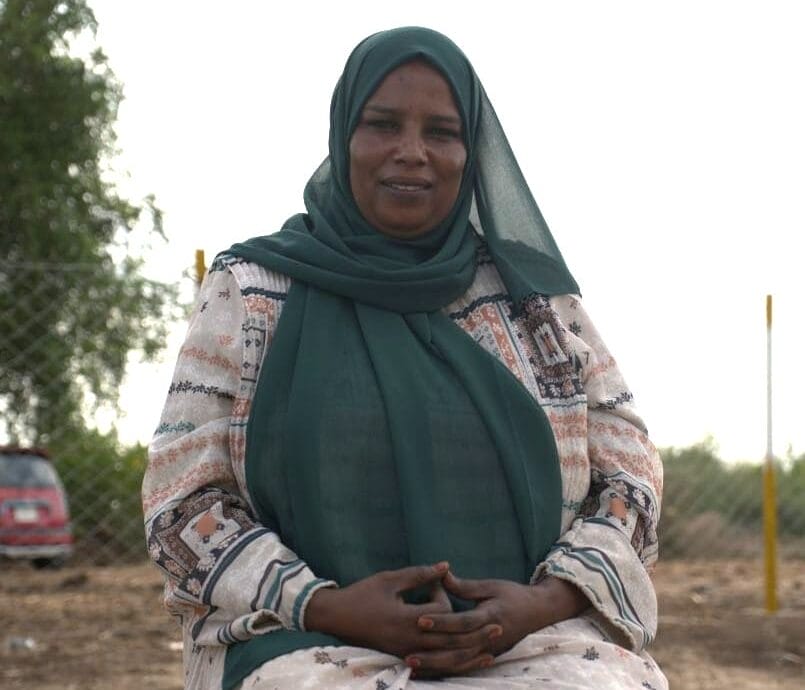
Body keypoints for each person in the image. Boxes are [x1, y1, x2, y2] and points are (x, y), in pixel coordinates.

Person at [143, 27, 667, 690]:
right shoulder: (252, 291)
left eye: (441, 132)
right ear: (344, 136)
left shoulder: (534, 302)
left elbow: (629, 478)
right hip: (307, 639)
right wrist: (324, 603)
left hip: (532, 640)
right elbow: (181, 501)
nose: (411, 153)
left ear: (470, 149)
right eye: (383, 124)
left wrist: (544, 601)